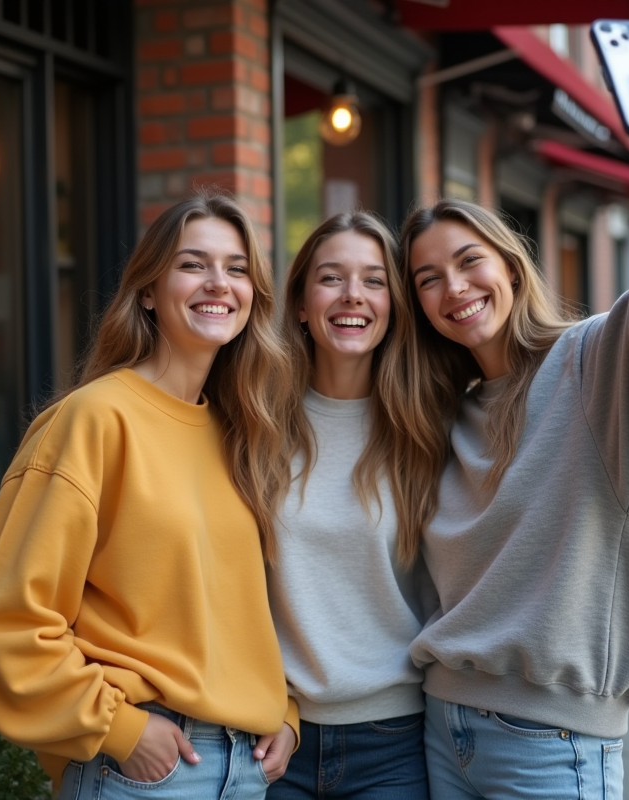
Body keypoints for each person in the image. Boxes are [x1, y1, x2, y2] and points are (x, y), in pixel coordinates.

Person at [400, 33, 629, 798]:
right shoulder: (442, 414)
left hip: (551, 748)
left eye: (468, 260)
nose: (452, 287)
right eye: (427, 278)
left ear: (511, 263)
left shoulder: (594, 366)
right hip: (438, 727)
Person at [0, 191, 299, 799]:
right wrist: (119, 728)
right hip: (148, 773)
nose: (219, 283)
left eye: (236, 269)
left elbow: (237, 612)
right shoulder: (95, 420)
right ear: (147, 290)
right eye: (193, 264)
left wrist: (283, 712)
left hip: (247, 769)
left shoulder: (242, 433)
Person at [266, 212, 443, 799]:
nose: (352, 296)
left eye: (373, 280)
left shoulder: (426, 429)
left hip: (392, 742)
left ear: (393, 304)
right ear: (299, 303)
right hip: (271, 736)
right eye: (331, 278)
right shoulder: (254, 423)